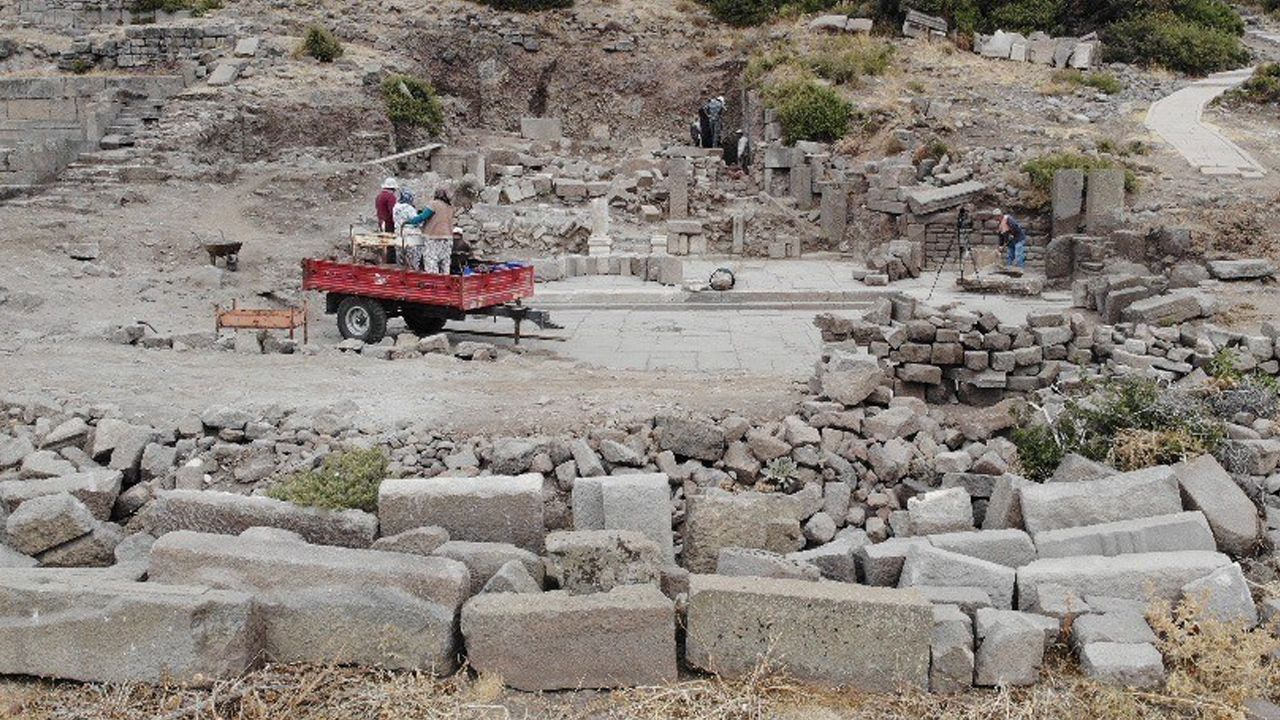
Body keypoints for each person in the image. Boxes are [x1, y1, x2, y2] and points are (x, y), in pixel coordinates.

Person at [403, 188, 455, 274]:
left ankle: (434, 283)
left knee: (431, 261)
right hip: (448, 238)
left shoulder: (434, 204)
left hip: (434, 238)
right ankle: (445, 283)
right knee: (444, 263)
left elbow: (423, 216)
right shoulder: (449, 207)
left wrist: (410, 221)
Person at [392, 188, 427, 270]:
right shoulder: (409, 208)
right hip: (411, 237)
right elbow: (416, 221)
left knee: (401, 262)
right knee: (413, 263)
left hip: (399, 235)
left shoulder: (395, 207)